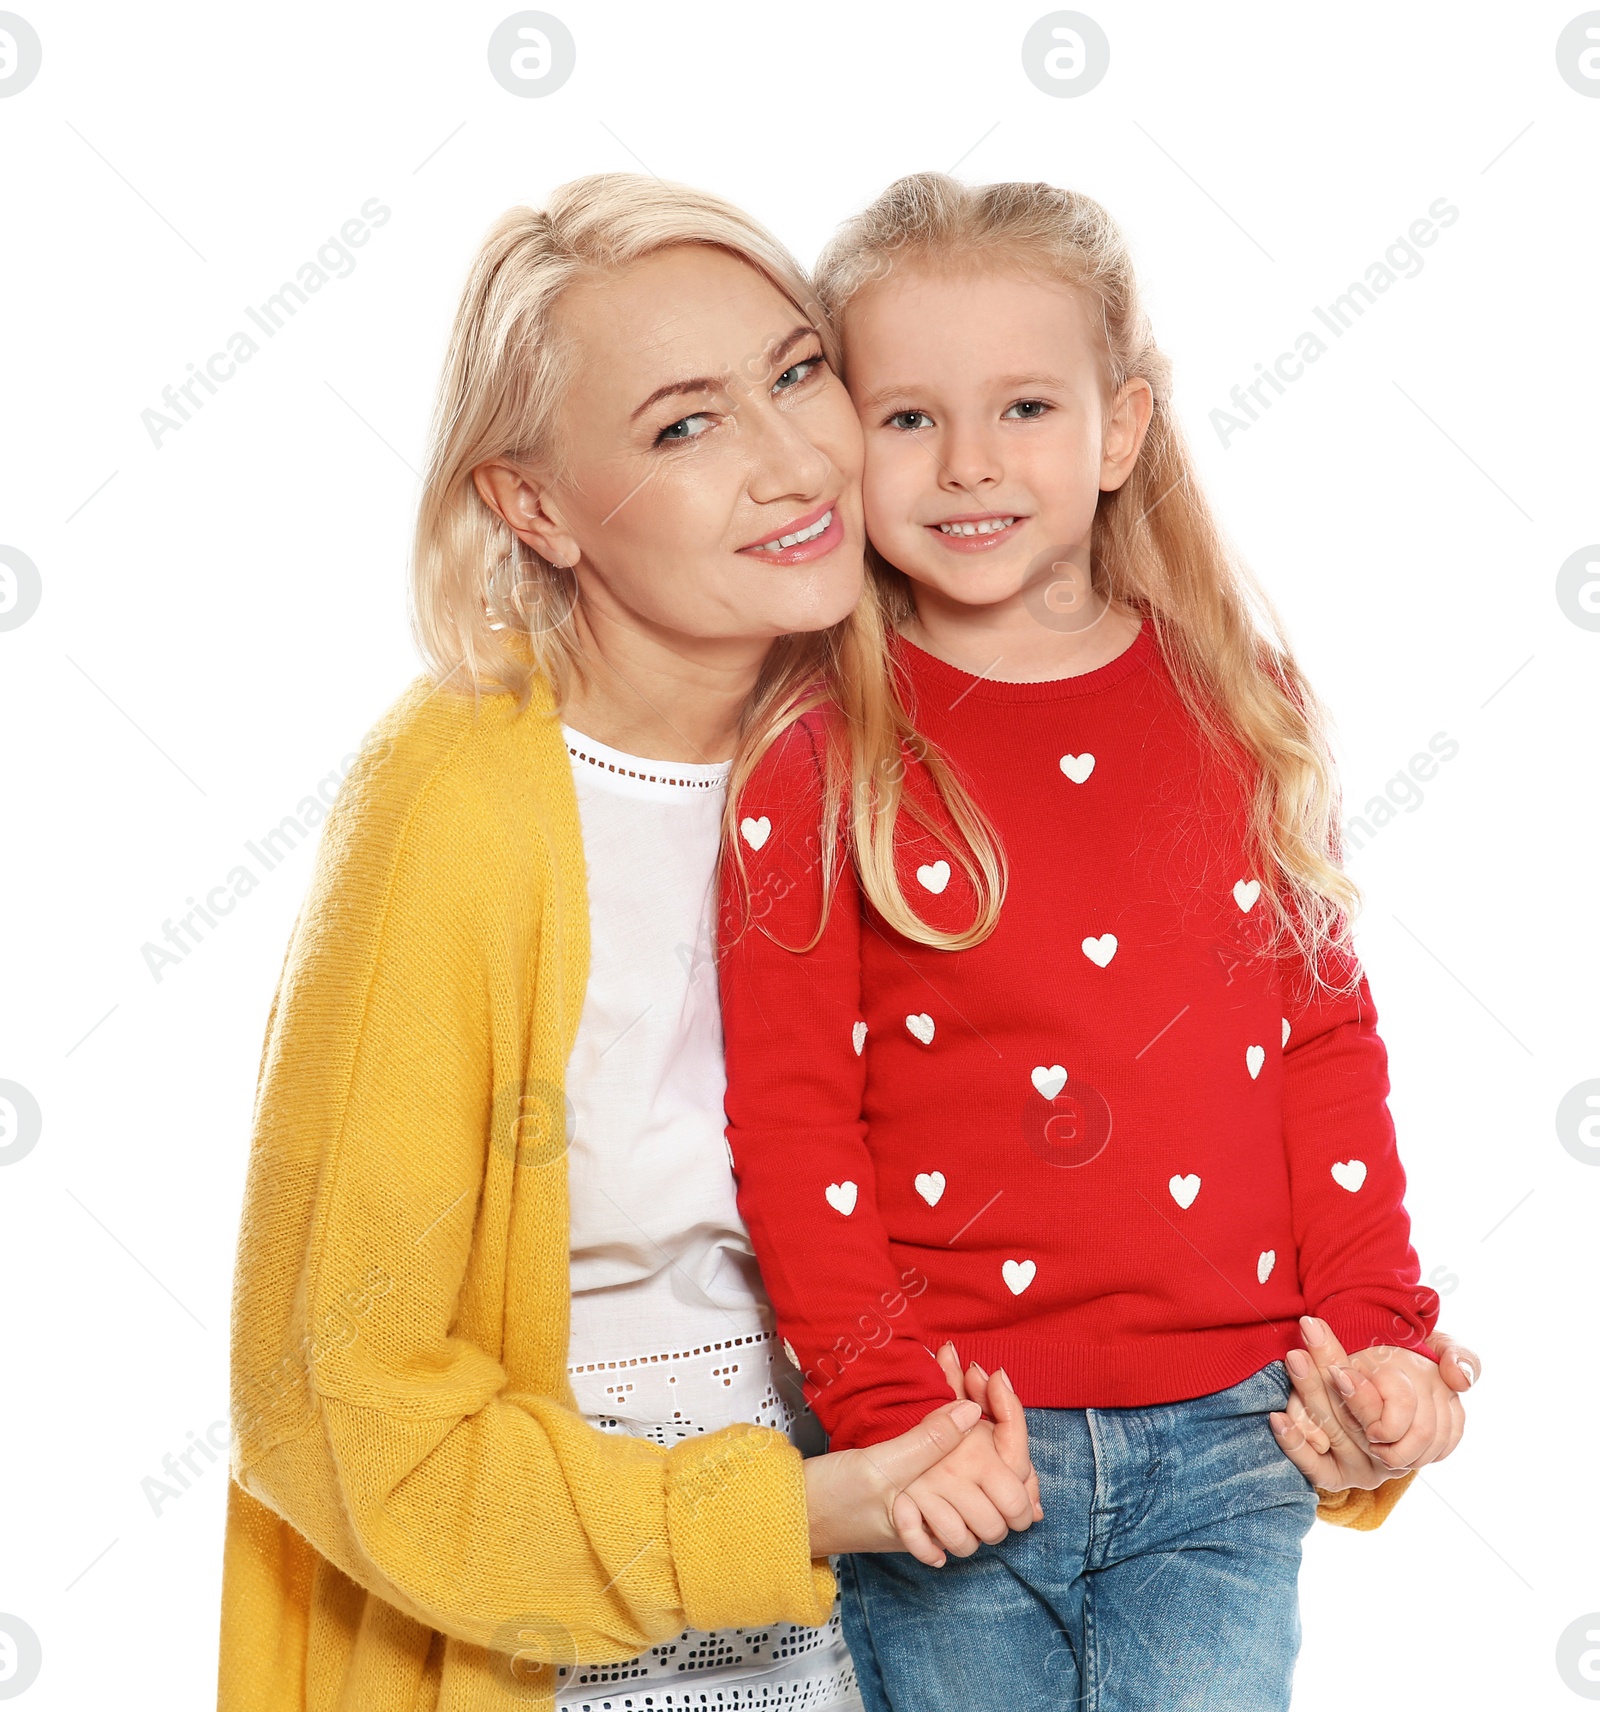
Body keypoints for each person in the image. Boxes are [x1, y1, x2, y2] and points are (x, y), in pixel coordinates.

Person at [717, 173, 1474, 1711]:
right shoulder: (813, 753)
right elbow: (794, 1121)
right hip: (956, 1439)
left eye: (1026, 408)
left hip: (1231, 1437)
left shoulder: (1236, 701)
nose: (970, 463)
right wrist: (879, 1416)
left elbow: (1317, 1042)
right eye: (909, 417)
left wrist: (1383, 1333)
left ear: (1120, 429)